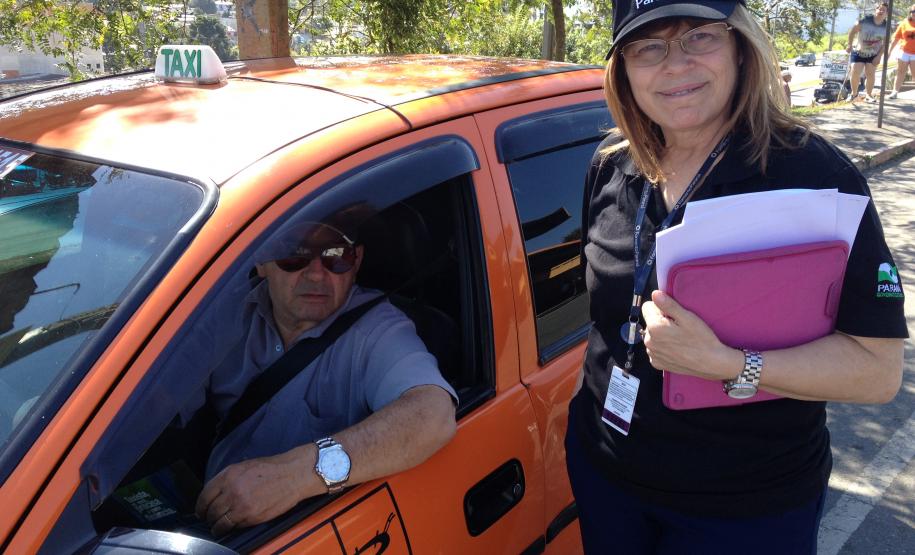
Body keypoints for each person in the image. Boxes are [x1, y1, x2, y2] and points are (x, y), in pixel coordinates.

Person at [566, 1, 907, 553]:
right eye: (648, 47)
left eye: (699, 36)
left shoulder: (817, 178)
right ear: (623, 69)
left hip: (746, 508)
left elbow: (876, 372)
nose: (674, 65)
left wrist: (730, 365)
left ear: (739, 48)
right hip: (606, 473)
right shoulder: (611, 165)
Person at [192, 220, 457, 537]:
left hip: (304, 532)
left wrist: (294, 477)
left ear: (356, 261)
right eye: (295, 255)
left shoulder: (377, 331)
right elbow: (157, 405)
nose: (317, 274)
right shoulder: (225, 313)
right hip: (207, 517)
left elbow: (432, 414)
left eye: (335, 255)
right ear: (261, 262)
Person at [846, 2, 888, 102]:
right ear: (875, 10)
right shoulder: (865, 20)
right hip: (859, 51)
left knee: (870, 74)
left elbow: (885, 43)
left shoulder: (887, 26)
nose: (881, 11)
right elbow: (852, 31)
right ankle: (854, 94)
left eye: (883, 10)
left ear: (887, 13)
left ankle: (868, 95)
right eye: (879, 9)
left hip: (873, 54)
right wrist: (849, 44)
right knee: (855, 71)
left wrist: (879, 56)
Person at [887, 3, 915, 99]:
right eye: (913, 11)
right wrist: (889, 51)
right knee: (900, 72)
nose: (914, 13)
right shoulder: (904, 23)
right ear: (910, 13)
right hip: (904, 51)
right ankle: (895, 92)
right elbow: (896, 38)